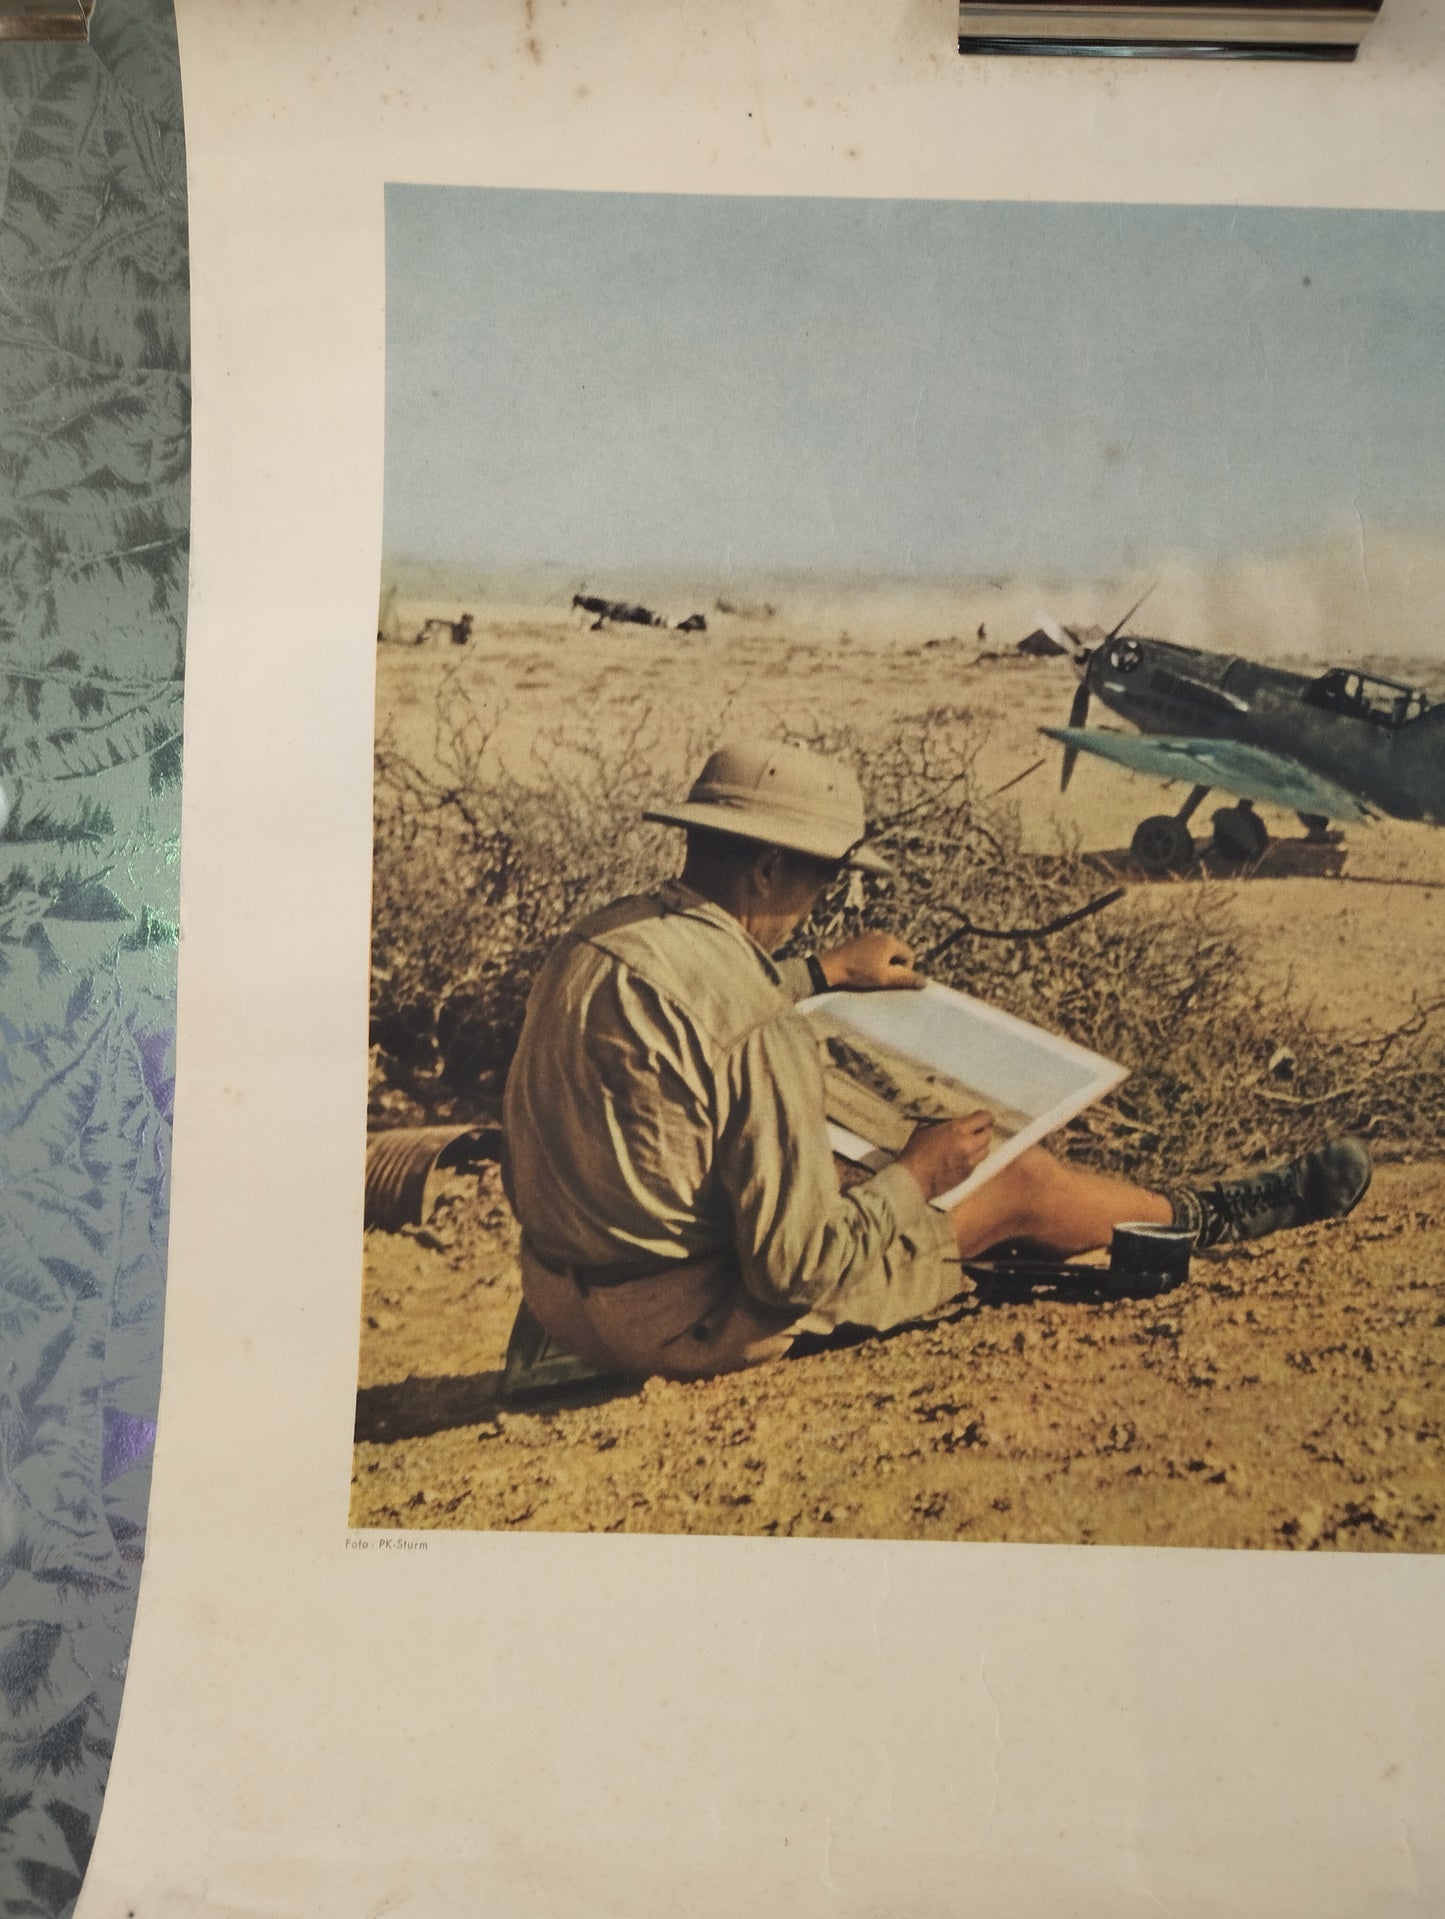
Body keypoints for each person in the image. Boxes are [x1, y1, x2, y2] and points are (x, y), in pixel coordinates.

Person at [501, 739, 1370, 1384]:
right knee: (1016, 1177)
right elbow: (792, 1271)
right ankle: (1206, 1214)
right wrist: (917, 1173)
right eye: (823, 880)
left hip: (564, 1300)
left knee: (818, 1168)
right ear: (767, 868)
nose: (825, 901)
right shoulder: (759, 1026)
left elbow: (699, 1017)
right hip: (682, 1325)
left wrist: (821, 971)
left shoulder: (602, 939)